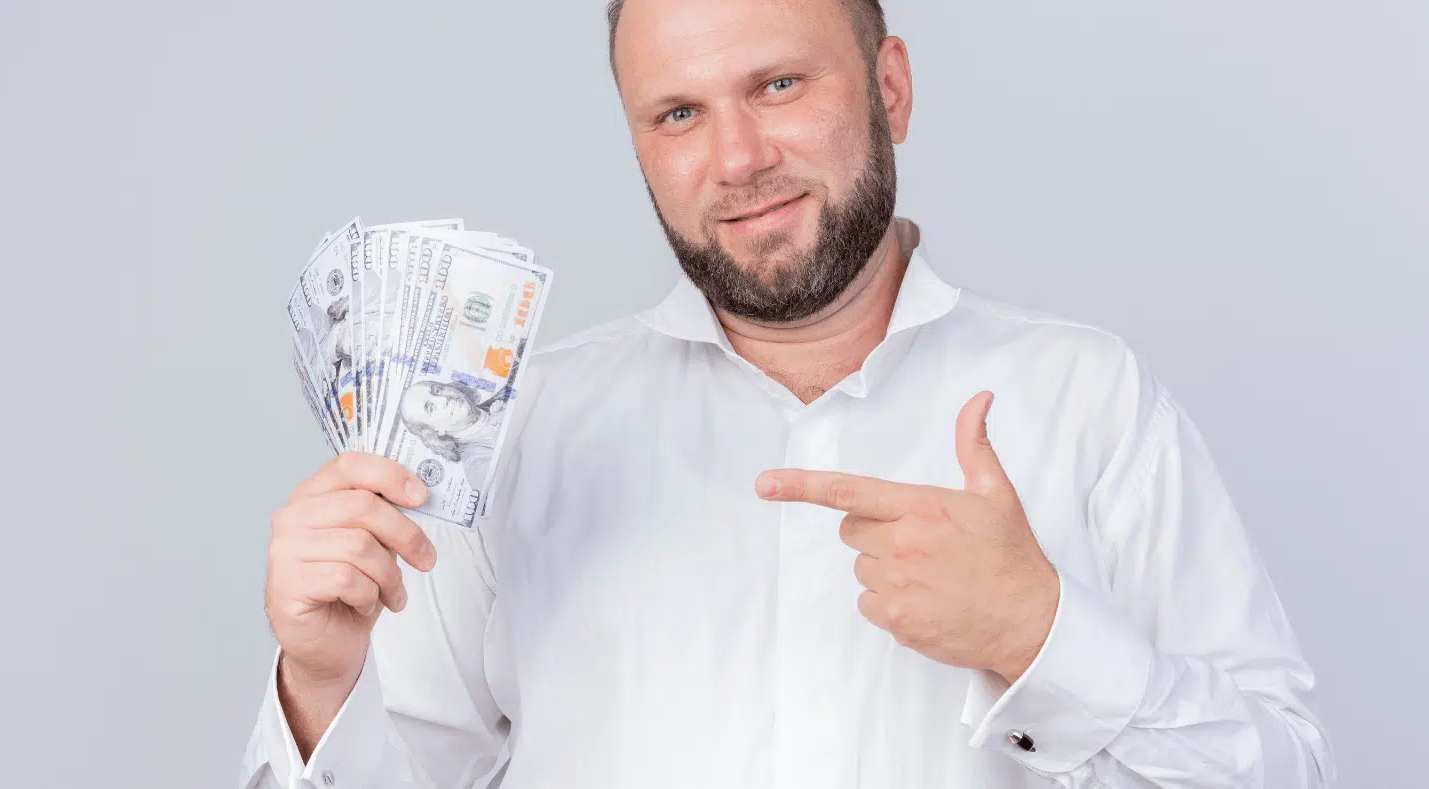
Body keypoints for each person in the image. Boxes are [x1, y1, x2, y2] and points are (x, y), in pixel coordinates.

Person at [243, 0, 1335, 786]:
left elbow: (1285, 775)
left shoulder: (1088, 400)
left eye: (778, 84)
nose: (737, 157)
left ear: (890, 89)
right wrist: (320, 687)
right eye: (677, 114)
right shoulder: (520, 433)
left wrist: (1041, 632)